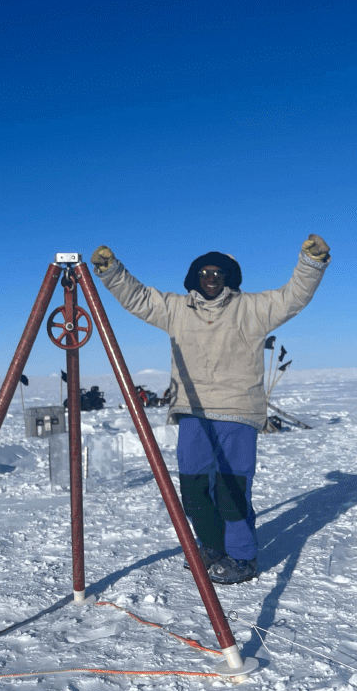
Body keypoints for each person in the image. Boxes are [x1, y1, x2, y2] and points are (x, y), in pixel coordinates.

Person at [91, 236, 330, 585]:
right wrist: (111, 270)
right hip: (192, 411)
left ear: (229, 276)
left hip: (235, 410)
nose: (211, 277)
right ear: (194, 277)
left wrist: (311, 262)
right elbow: (139, 298)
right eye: (204, 271)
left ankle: (243, 557)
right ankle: (213, 548)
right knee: (194, 488)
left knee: (231, 490)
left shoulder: (252, 308)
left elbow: (294, 296)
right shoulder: (176, 309)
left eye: (218, 272)